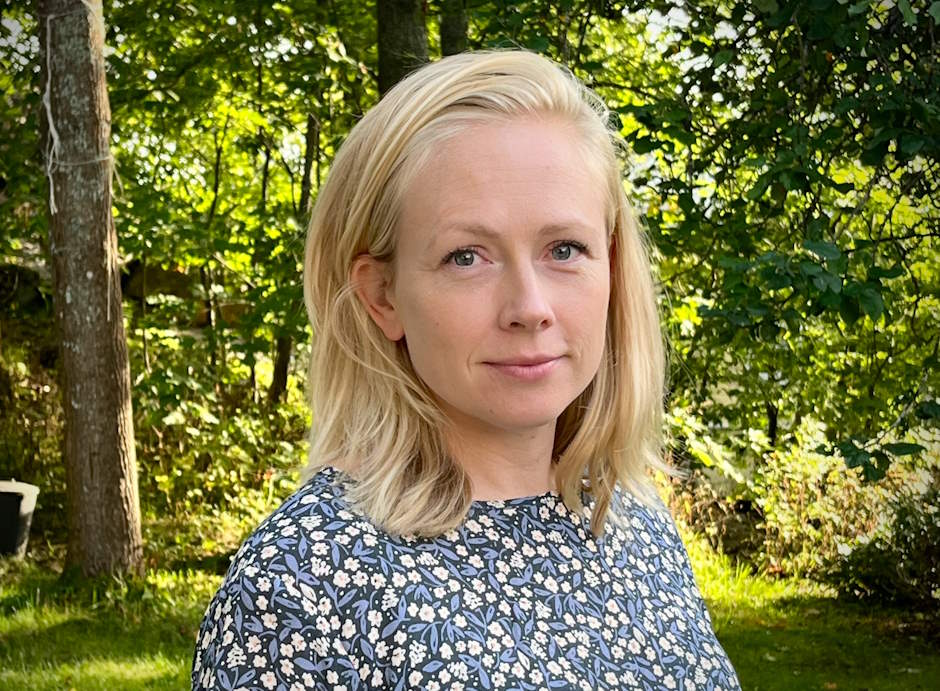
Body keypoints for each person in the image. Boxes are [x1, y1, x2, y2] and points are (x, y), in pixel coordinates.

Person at [192, 50, 741, 691]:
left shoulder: (631, 521)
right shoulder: (301, 585)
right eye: (466, 257)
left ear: (612, 266)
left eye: (564, 249)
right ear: (383, 296)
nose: (529, 307)